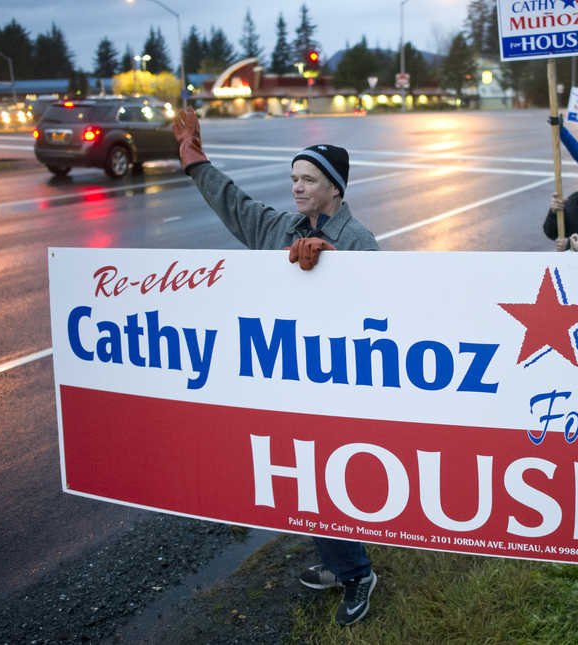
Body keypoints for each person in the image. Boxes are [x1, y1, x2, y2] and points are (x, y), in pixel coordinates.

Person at [172, 106, 379, 627]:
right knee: (307, 483)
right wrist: (196, 161)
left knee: (333, 483)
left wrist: (335, 267)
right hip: (290, 380)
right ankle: (341, 563)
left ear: (335, 188)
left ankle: (357, 574)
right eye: (293, 178)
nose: (297, 187)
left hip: (340, 384)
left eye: (308, 179)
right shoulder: (279, 230)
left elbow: (384, 314)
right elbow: (234, 204)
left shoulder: (359, 241)